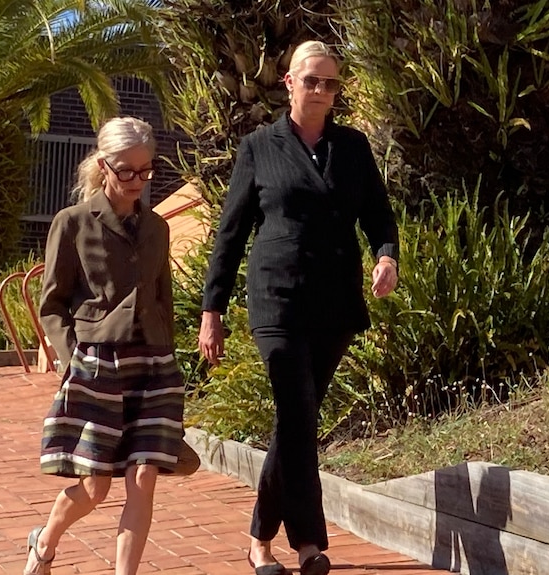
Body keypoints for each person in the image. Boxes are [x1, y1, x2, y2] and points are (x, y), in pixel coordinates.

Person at [198, 40, 399, 575]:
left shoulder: (353, 147)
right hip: (278, 299)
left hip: (334, 302)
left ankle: (260, 537)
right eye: (311, 80)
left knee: (299, 420)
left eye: (330, 83)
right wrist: (211, 310)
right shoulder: (259, 146)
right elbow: (231, 233)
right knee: (296, 412)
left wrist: (387, 257)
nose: (321, 91)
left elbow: (379, 215)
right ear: (288, 83)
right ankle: (308, 543)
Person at [25, 117, 188, 575]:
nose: (138, 181)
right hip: (98, 364)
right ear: (103, 166)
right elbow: (53, 303)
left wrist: (171, 357)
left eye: (146, 170)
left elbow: (163, 297)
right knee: (95, 486)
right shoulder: (72, 223)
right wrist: (69, 358)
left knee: (143, 477)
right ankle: (45, 543)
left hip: (154, 365)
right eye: (126, 170)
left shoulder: (157, 226)